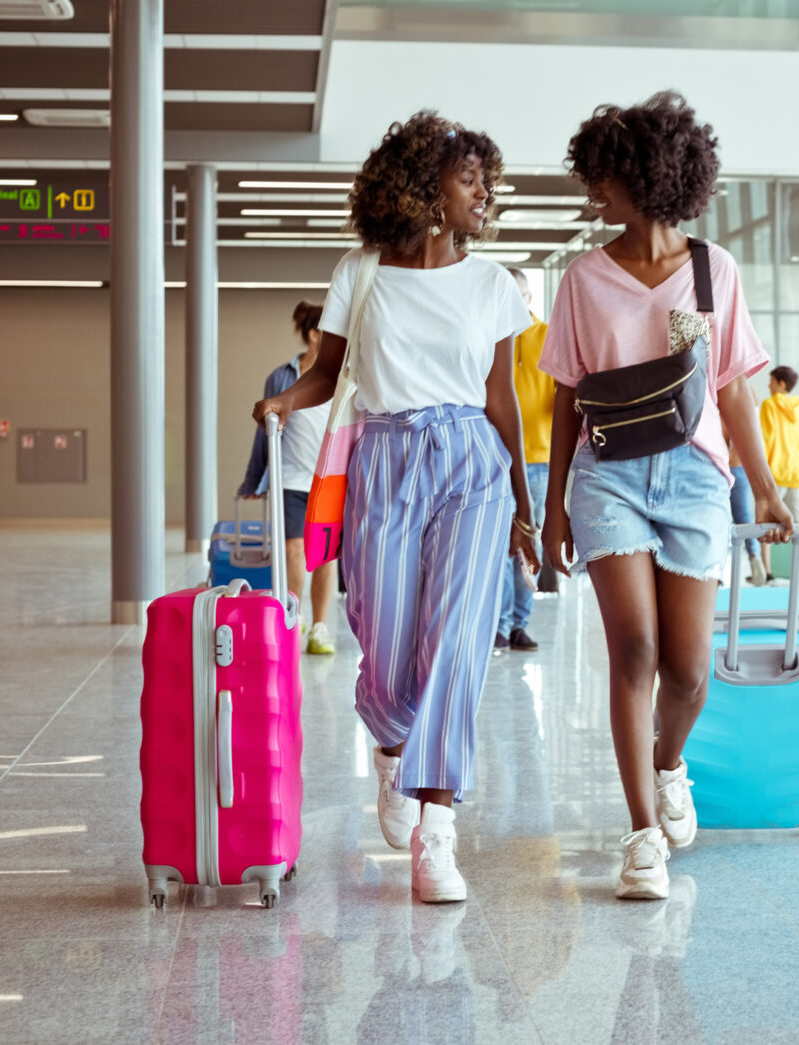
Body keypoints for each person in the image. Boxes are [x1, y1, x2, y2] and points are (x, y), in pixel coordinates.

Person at [251, 111, 540, 903]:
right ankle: (388, 741)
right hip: (384, 456)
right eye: (470, 178)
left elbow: (501, 398)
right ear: (423, 186)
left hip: (472, 464)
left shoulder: (493, 284)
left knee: (457, 640)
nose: (485, 194)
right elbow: (328, 370)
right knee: (381, 639)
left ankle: (438, 834)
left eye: (488, 181)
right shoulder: (361, 272)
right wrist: (281, 404)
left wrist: (523, 503)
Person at [540, 92, 792, 901]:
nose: (593, 194)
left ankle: (669, 761)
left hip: (693, 478)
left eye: (604, 178)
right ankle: (642, 832)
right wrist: (551, 507)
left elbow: (730, 392)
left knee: (688, 671)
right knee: (636, 652)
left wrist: (767, 488)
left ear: (645, 176)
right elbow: (566, 402)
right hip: (606, 475)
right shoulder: (583, 278)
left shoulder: (714, 273)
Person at [237, 301, 338, 655]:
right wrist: (254, 480)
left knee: (325, 556)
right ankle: (296, 620)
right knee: (294, 551)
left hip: (328, 481)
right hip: (291, 478)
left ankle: (321, 627)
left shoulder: (344, 376)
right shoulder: (282, 377)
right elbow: (263, 432)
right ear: (314, 336)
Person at [495, 267, 554, 651]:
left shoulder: (548, 336)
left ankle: (519, 623)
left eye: (519, 295)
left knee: (529, 545)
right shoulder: (488, 336)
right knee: (498, 547)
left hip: (539, 460)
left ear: (529, 299)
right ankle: (498, 626)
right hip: (496, 461)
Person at [759, 365, 799, 586]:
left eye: (771, 381)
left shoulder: (769, 405)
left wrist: (762, 471)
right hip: (797, 474)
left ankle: (767, 572)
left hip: (776, 473)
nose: (769, 385)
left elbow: (765, 439)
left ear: (781, 384)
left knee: (765, 521)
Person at [726, 435, 767, 586]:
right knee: (744, 516)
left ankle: (718, 563)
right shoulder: (746, 415)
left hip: (719, 466)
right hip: (740, 466)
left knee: (717, 517)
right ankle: (754, 555)